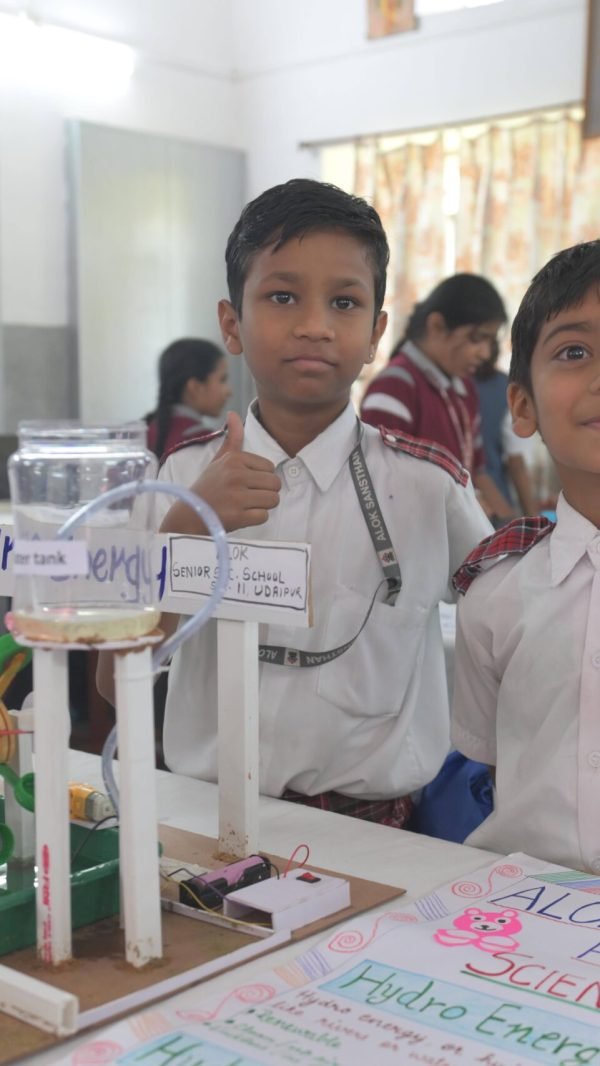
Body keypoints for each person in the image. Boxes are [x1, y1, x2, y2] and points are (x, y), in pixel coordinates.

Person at [99, 178, 490, 827]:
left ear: (376, 333)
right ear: (232, 323)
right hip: (202, 815)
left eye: (344, 302)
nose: (314, 326)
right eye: (283, 297)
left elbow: (507, 635)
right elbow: (116, 684)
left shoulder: (428, 487)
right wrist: (184, 533)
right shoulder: (180, 477)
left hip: (377, 831)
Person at [451, 238, 600, 871]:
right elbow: (489, 760)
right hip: (521, 908)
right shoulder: (495, 589)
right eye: (575, 352)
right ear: (522, 405)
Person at [360, 274, 515, 525]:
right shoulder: (394, 387)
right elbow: (382, 487)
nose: (485, 354)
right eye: (477, 339)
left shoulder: (464, 389)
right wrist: (465, 507)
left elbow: (477, 470)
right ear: (437, 326)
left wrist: (510, 524)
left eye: (491, 341)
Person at [473, 339, 538, 516]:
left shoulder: (449, 384)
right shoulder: (508, 390)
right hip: (495, 508)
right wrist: (531, 517)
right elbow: (516, 463)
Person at [145, 338, 230, 459]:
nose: (229, 392)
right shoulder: (202, 442)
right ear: (195, 387)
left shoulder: (145, 432)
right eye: (222, 380)